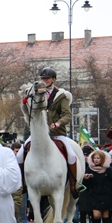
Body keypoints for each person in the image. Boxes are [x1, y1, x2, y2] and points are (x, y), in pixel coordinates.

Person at [16, 67, 79, 197]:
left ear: (53, 80)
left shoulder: (61, 96)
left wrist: (58, 123)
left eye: (47, 78)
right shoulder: (35, 93)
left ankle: (73, 185)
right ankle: (23, 183)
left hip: (57, 133)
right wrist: (24, 101)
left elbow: (67, 115)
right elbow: (28, 110)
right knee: (20, 155)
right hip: (39, 134)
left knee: (72, 155)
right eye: (43, 78)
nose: (45, 81)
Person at [83, 150, 112, 223]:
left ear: (102, 159)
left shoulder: (108, 169)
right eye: (94, 158)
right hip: (94, 195)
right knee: (96, 216)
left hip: (106, 195)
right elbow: (85, 184)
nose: (96, 160)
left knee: (106, 215)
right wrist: (86, 178)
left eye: (98, 158)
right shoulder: (89, 169)